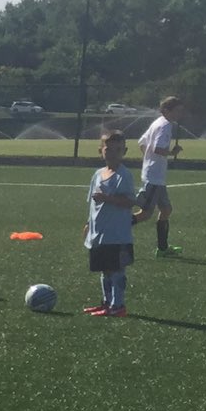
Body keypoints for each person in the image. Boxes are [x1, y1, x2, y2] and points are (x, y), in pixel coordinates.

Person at [84, 128, 138, 317]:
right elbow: (92, 204)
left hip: (117, 234)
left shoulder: (124, 175)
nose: (113, 154)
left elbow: (130, 201)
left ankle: (119, 305)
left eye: (118, 150)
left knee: (116, 269)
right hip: (99, 233)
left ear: (124, 152)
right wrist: (88, 225)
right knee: (104, 269)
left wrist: (108, 198)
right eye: (108, 149)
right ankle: (106, 303)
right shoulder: (98, 174)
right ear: (101, 151)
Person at [134, 95, 184, 255]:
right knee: (145, 214)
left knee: (166, 209)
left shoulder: (157, 123)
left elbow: (142, 142)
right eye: (176, 111)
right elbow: (157, 148)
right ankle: (114, 229)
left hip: (156, 176)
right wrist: (171, 152)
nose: (178, 114)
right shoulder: (165, 126)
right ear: (166, 110)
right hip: (154, 177)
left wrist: (148, 160)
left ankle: (162, 249)